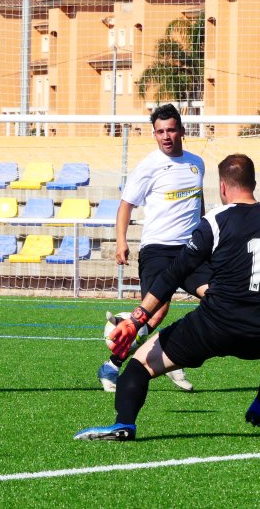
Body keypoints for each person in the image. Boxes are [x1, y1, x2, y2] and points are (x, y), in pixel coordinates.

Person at [76, 154, 260, 441]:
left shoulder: (215, 221)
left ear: (223, 187)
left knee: (139, 365)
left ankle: (124, 424)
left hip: (216, 325)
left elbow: (174, 273)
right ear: (254, 183)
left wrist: (136, 320)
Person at [97, 103, 210, 393]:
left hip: (191, 251)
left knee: (217, 298)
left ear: (182, 130)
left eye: (171, 130)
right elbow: (126, 205)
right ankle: (112, 366)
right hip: (158, 250)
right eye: (160, 132)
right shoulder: (149, 166)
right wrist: (121, 241)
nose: (166, 136)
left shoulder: (197, 163)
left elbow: (198, 204)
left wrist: (205, 238)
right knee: (155, 313)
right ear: (154, 134)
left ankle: (170, 353)